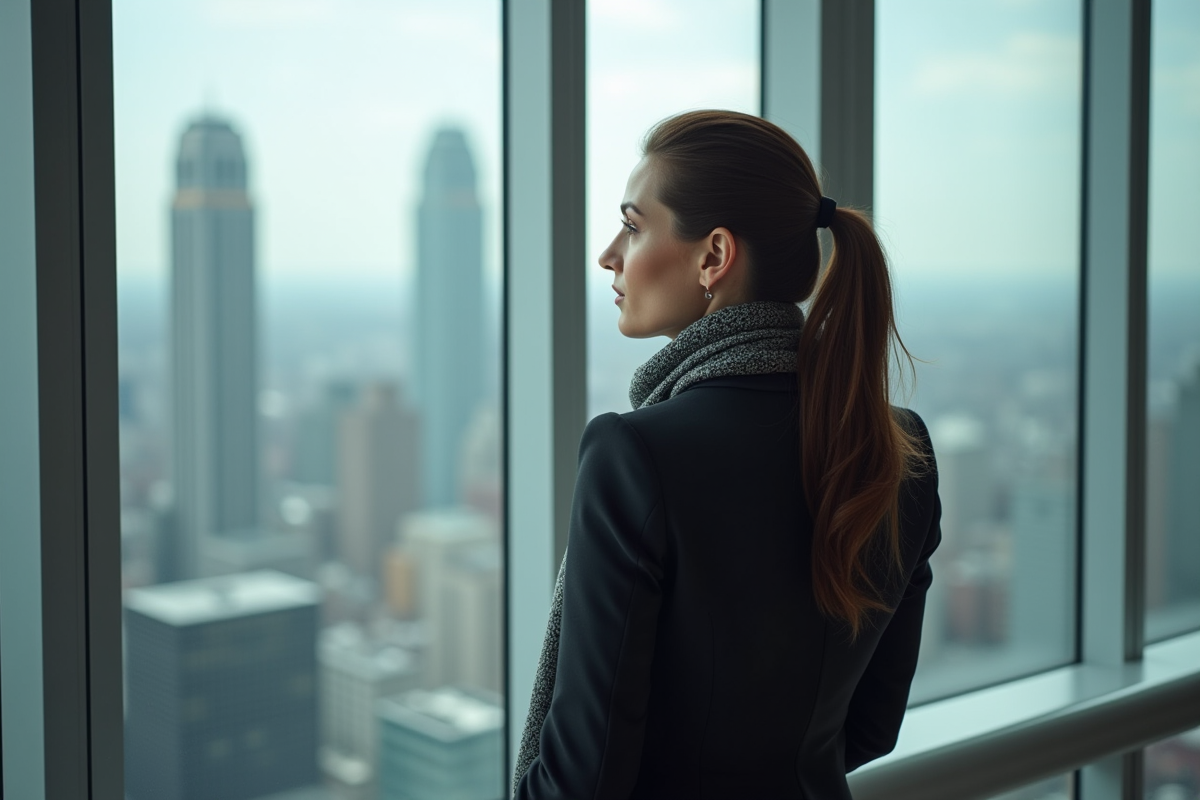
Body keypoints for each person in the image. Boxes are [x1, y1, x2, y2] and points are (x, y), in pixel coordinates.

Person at [511, 110, 941, 800]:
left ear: (713, 256)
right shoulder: (898, 449)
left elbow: (581, 782)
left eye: (633, 226)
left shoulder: (636, 455)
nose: (609, 255)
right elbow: (868, 728)